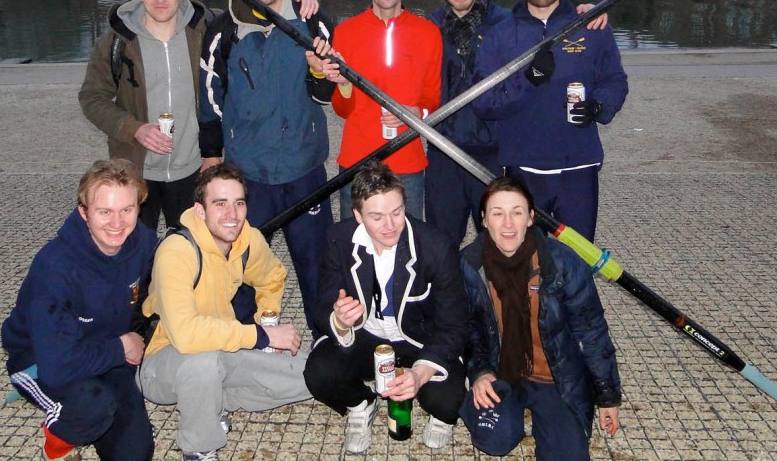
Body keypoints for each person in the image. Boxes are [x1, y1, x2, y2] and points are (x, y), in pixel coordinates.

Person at [425, 0, 610, 248]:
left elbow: (545, 17)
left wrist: (586, 12)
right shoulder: (429, 27)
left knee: (499, 243)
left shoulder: (504, 23)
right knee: (441, 242)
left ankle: (494, 295)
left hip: (494, 151)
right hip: (444, 149)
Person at [199, 0, 333, 335]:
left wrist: (320, 71)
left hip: (303, 165)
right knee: (240, 262)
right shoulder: (224, 29)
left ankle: (327, 339)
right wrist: (212, 153)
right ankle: (239, 336)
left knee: (316, 263)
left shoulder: (314, 22)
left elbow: (325, 93)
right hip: (248, 172)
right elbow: (210, 95)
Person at [138, 163, 311, 461]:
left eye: (239, 203)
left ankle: (211, 399)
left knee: (315, 374)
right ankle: (198, 446)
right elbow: (187, 336)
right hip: (162, 363)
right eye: (220, 204)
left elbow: (272, 276)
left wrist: (266, 319)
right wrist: (262, 336)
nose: (232, 215)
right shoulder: (177, 251)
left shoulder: (247, 239)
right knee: (202, 363)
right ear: (200, 210)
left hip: (222, 348)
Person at [303, 160, 467, 454]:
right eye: (377, 217)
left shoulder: (436, 245)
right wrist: (340, 320)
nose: (390, 226)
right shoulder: (339, 239)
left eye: (397, 212)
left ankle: (439, 414)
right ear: (357, 215)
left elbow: (454, 323)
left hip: (420, 337)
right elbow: (323, 303)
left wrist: (419, 373)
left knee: (446, 400)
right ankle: (362, 404)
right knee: (318, 373)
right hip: (368, 336)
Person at [1, 159, 157, 461]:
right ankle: (57, 442)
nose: (117, 222)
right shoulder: (55, 267)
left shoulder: (143, 242)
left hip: (108, 352)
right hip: (41, 359)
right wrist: (122, 346)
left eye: (127, 210)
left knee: (136, 454)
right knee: (91, 408)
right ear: (83, 212)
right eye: (105, 211)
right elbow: (58, 369)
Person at [474, 0, 629, 242]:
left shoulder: (591, 26)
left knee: (578, 259)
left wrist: (599, 106)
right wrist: (527, 80)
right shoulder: (501, 36)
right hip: (523, 167)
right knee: (528, 262)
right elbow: (484, 103)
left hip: (578, 166)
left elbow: (615, 80)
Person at [459, 176, 621, 460]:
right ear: (483, 220)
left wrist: (608, 397)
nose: (508, 224)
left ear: (531, 218)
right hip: (502, 371)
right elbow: (468, 328)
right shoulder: (468, 265)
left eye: (517, 213)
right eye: (498, 213)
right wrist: (480, 372)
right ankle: (488, 408)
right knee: (495, 440)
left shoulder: (562, 263)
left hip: (554, 377)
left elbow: (591, 330)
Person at [78, 0, 214, 231]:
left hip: (191, 167)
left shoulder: (205, 29)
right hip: (135, 170)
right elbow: (92, 98)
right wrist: (133, 128)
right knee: (135, 257)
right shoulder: (117, 41)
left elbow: (249, 10)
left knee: (190, 254)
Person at [319, 0, 442, 220]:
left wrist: (415, 114)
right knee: (353, 241)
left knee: (407, 242)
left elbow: (432, 97)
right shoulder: (346, 32)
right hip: (357, 160)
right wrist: (343, 85)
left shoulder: (429, 33)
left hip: (408, 159)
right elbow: (341, 110)